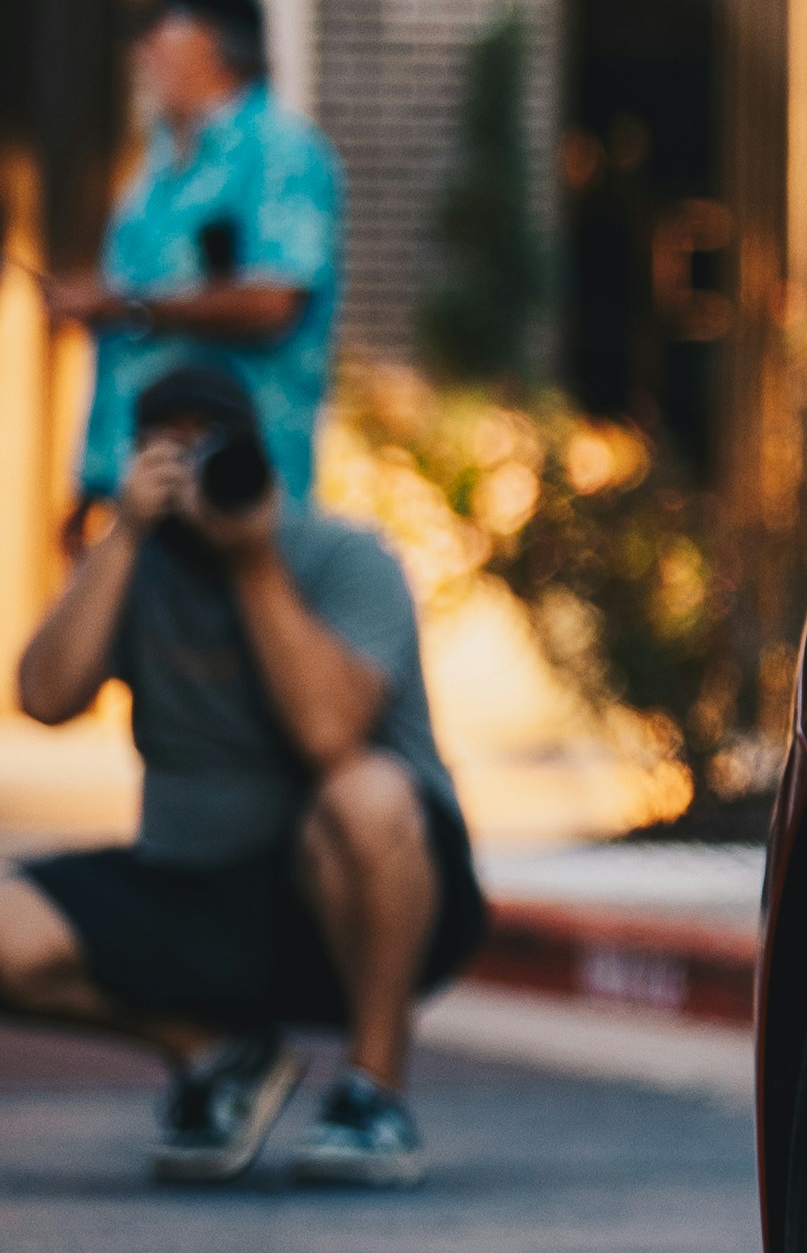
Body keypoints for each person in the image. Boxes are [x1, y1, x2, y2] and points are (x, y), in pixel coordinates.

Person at [0, 355, 475, 1187]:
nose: (192, 474)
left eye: (209, 450)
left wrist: (251, 559)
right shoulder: (131, 566)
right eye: (167, 453)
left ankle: (373, 1093)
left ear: (257, 454)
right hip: (193, 891)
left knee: (366, 794)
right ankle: (221, 1055)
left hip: (355, 893)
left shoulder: (343, 558)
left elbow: (330, 737)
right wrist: (123, 532)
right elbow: (44, 697)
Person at [54, 0, 341, 504]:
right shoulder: (160, 162)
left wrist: (126, 306)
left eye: (155, 30)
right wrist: (94, 481)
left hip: (234, 497)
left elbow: (272, 301)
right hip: (137, 490)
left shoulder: (281, 152)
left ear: (207, 40)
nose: (141, 51)